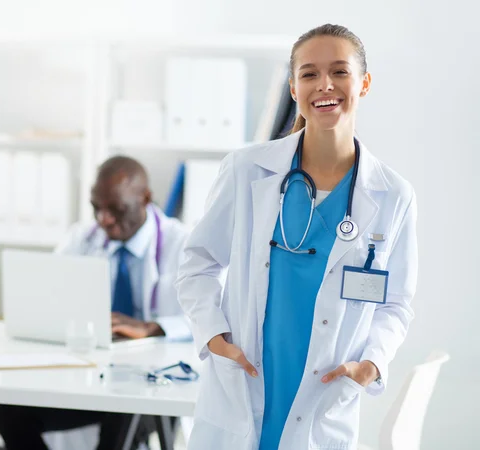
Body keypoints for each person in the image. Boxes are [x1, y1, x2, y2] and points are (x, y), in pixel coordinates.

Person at [176, 24, 418, 450]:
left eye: (340, 72)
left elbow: (395, 303)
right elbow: (197, 261)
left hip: (325, 395)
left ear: (364, 83)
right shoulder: (247, 170)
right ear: (292, 87)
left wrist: (371, 364)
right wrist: (214, 336)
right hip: (245, 380)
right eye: (309, 74)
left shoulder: (393, 194)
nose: (324, 85)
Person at [0, 155, 190, 450]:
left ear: (146, 198)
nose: (104, 220)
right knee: (11, 415)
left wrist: (151, 327)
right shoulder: (81, 240)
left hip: (153, 384)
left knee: (123, 414)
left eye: (116, 209)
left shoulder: (184, 244)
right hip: (91, 378)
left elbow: (211, 318)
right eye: (96, 208)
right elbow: (45, 298)